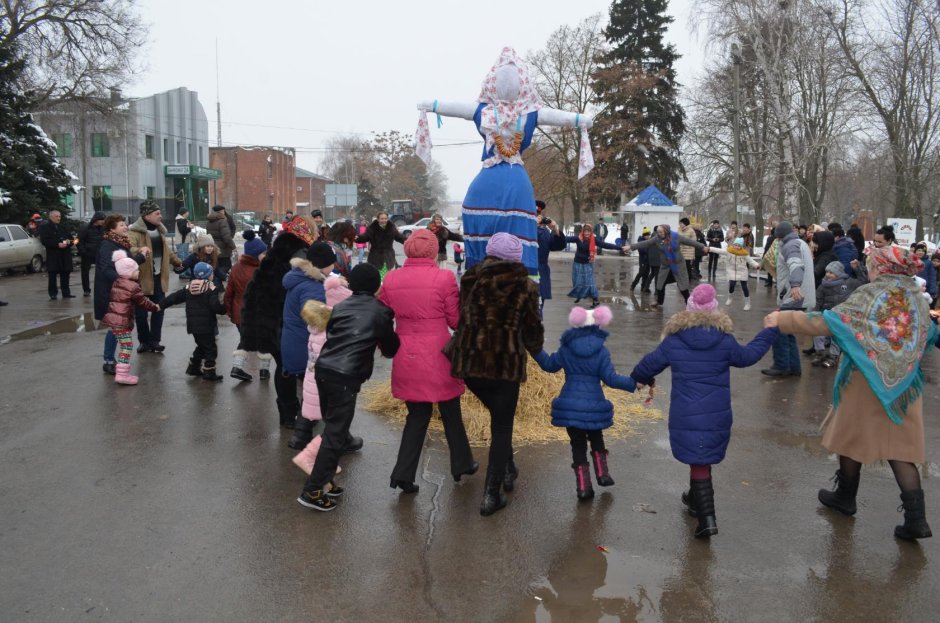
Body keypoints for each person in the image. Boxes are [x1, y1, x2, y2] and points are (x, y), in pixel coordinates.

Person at [765, 245, 935, 540]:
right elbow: (928, 334)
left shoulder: (872, 295)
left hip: (865, 381)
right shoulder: (917, 299)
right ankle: (916, 519)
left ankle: (846, 497)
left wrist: (784, 320)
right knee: (900, 449)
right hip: (904, 386)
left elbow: (831, 321)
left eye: (871, 265)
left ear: (881, 268)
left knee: (851, 436)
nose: (868, 270)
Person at [416, 47, 595, 278]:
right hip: (511, 179)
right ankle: (501, 273)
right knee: (509, 221)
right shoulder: (510, 112)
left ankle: (491, 271)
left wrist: (431, 105)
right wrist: (581, 120)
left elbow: (452, 107)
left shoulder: (522, 112)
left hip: (495, 179)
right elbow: (561, 117)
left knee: (489, 218)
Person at [630, 284, 779, 538]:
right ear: (714, 310)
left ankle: (707, 519)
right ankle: (694, 500)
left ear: (688, 310)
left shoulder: (675, 340)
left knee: (697, 458)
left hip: (685, 412)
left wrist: (639, 378)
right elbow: (748, 356)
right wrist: (769, 332)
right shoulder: (724, 340)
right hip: (716, 413)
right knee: (701, 454)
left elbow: (650, 363)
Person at [445, 233, 544, 516]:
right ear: (516, 258)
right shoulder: (526, 287)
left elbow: (462, 316)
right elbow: (533, 329)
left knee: (498, 417)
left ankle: (508, 468)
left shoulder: (470, 279)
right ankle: (492, 494)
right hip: (505, 365)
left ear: (489, 254)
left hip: (471, 363)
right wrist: (537, 351)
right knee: (502, 426)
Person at [379, 229, 477, 493]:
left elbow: (382, 314)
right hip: (438, 353)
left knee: (417, 415)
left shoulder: (391, 278)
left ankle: (403, 474)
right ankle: (462, 463)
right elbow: (455, 321)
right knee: (450, 411)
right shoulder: (444, 278)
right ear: (433, 251)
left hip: (406, 352)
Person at [296, 264, 400, 512]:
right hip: (346, 376)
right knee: (335, 432)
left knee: (334, 428)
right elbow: (390, 348)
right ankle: (312, 490)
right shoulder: (381, 311)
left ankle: (325, 480)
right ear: (377, 286)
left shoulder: (341, 307)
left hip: (324, 371)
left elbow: (333, 335)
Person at [534, 305, 637, 500]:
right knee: (596, 437)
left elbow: (548, 365)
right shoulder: (601, 352)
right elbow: (611, 379)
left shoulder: (566, 349)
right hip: (594, 405)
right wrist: (633, 384)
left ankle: (583, 487)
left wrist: (534, 349)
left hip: (570, 406)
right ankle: (603, 474)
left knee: (577, 445)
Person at [239, 216, 314, 428]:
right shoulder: (301, 255)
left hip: (265, 320)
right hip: (284, 321)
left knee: (284, 367)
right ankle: (296, 413)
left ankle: (288, 413)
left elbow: (256, 288)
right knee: (291, 368)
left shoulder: (275, 251)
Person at [291, 275, 353, 476]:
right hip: (325, 383)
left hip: (313, 380)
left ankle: (311, 448)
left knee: (324, 420)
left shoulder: (318, 327)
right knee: (334, 425)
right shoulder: (332, 332)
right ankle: (318, 459)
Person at [283, 242, 337, 450]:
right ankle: (305, 434)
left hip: (293, 342)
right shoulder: (313, 287)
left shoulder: (300, 278)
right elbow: (318, 321)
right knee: (316, 392)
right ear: (324, 265)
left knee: (306, 390)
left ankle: (303, 432)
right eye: (332, 263)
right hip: (307, 347)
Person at [761, 221, 815, 377]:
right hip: (801, 296)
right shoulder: (800, 243)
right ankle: (793, 367)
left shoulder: (789, 246)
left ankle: (782, 366)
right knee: (787, 330)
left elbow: (795, 265)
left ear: (779, 237)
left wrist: (795, 285)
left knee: (778, 328)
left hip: (794, 296)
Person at [128, 200, 183, 353]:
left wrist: (177, 262)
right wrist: (141, 249)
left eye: (160, 213)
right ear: (146, 215)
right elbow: (129, 249)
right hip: (142, 279)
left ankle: (155, 341)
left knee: (159, 309)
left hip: (159, 278)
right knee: (141, 313)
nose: (160, 216)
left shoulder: (159, 231)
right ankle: (144, 341)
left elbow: (167, 251)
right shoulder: (135, 232)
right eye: (156, 213)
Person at [95, 215, 147, 375]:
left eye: (125, 224)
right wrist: (126, 279)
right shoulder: (107, 246)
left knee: (118, 327)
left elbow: (127, 264)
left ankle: (110, 359)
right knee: (116, 327)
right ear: (112, 229)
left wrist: (141, 256)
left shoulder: (120, 244)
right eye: (121, 225)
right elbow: (107, 269)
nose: (125, 227)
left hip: (120, 293)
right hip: (111, 293)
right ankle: (108, 360)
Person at [101, 251, 161, 385]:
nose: (138, 272)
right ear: (129, 272)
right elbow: (143, 301)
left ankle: (122, 373)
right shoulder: (132, 286)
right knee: (127, 346)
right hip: (121, 321)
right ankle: (122, 375)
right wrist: (155, 307)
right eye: (136, 270)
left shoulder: (118, 281)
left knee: (125, 345)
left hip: (115, 320)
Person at [162, 262, 227, 381]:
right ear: (209, 275)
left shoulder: (188, 287)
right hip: (206, 325)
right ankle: (209, 372)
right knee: (210, 349)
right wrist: (224, 309)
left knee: (202, 346)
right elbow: (215, 306)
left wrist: (161, 305)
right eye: (212, 273)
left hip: (193, 325)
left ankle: (194, 367)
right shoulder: (211, 288)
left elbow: (174, 298)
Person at [624, 224, 704, 307]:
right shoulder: (657, 239)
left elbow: (690, 242)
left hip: (678, 266)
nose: (660, 233)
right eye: (658, 232)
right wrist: (631, 246)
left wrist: (702, 247)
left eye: (661, 232)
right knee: (660, 283)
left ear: (666, 231)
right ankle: (659, 301)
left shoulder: (676, 237)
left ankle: (689, 303)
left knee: (683, 287)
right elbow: (645, 243)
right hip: (666, 266)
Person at [226, 230, 269, 382]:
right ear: (256, 254)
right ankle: (264, 370)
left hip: (240, 313)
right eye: (264, 253)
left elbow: (229, 293)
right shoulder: (263, 270)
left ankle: (237, 367)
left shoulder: (236, 268)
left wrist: (230, 312)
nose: (266, 255)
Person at [809, 261, 862, 368]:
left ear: (839, 273)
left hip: (840, 316)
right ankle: (820, 353)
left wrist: (858, 269)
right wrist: (814, 313)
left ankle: (833, 356)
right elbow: (818, 300)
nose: (828, 275)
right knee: (818, 333)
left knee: (836, 336)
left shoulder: (848, 283)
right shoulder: (823, 285)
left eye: (831, 273)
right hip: (826, 314)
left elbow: (863, 282)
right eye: (827, 272)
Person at [565, 224, 624, 308]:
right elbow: (565, 239)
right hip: (577, 263)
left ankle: (595, 300)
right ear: (583, 231)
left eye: (588, 231)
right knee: (577, 281)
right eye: (585, 231)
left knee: (590, 282)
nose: (587, 233)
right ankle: (579, 295)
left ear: (591, 232)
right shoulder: (578, 238)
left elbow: (605, 245)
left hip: (588, 263)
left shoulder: (593, 239)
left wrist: (620, 248)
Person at [707, 237, 760, 310]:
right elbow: (719, 250)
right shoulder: (729, 251)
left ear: (741, 246)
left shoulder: (744, 253)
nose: (737, 247)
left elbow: (750, 261)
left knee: (744, 287)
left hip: (742, 271)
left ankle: (747, 303)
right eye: (736, 245)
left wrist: (756, 265)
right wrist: (710, 248)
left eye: (739, 246)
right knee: (732, 284)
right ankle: (730, 297)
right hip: (732, 271)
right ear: (733, 244)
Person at [535, 201, 566, 313]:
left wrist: (556, 230)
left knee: (537, 312)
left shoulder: (545, 231)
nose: (537, 216)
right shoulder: (521, 228)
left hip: (541, 274)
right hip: (526, 273)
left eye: (538, 214)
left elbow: (557, 246)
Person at [38, 208, 75, 300]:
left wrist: (67, 243)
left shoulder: (63, 227)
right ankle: (53, 294)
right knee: (53, 276)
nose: (58, 218)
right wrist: (57, 244)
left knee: (65, 275)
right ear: (51, 217)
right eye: (56, 216)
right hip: (54, 255)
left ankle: (66, 293)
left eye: (59, 216)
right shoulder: (45, 227)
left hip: (65, 254)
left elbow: (72, 240)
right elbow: (45, 240)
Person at [77, 211, 105, 296]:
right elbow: (78, 241)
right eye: (101, 219)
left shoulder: (103, 229)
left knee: (101, 272)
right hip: (87, 254)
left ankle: (100, 288)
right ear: (96, 219)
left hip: (99, 254)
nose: (103, 221)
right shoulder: (85, 228)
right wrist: (83, 251)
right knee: (85, 273)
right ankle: (86, 290)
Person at [206, 205, 235, 283]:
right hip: (223, 249)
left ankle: (218, 285)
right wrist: (233, 247)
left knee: (216, 267)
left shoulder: (209, 221)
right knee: (226, 266)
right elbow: (226, 238)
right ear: (221, 211)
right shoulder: (222, 221)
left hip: (213, 247)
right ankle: (217, 284)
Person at [629, 228, 654, 293]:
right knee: (640, 273)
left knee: (646, 274)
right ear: (644, 235)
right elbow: (642, 250)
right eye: (647, 235)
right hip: (643, 260)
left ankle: (643, 287)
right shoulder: (641, 241)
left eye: (649, 235)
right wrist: (649, 249)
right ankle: (633, 285)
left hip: (648, 261)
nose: (648, 237)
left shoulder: (648, 241)